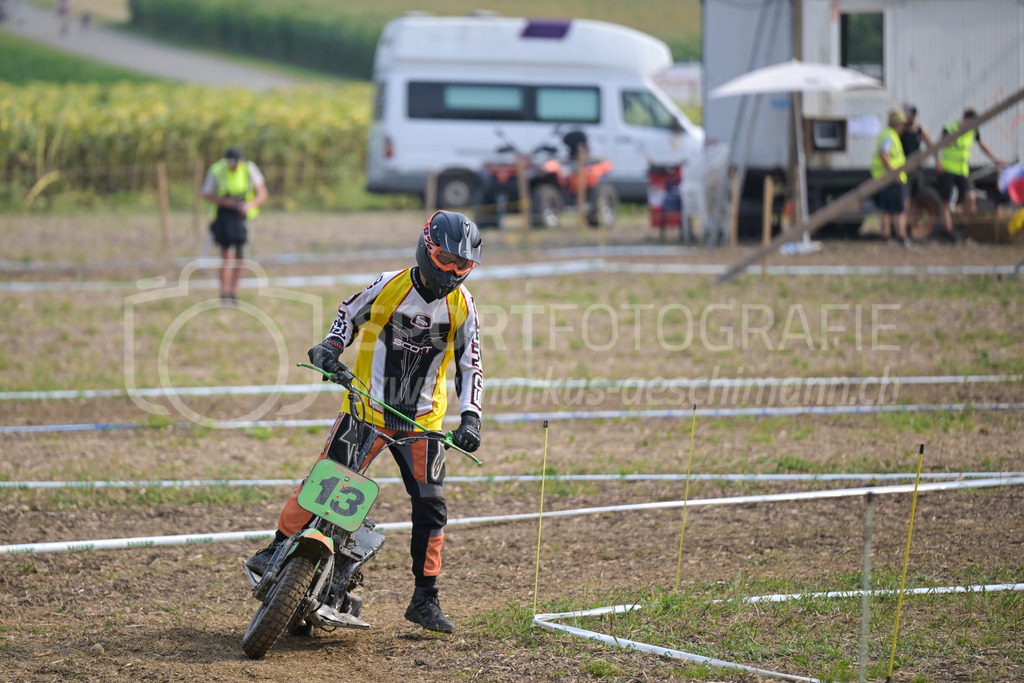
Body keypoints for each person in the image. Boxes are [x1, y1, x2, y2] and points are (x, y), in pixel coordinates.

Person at [246, 210, 484, 634]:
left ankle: (425, 598)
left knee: (431, 507)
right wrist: (329, 347)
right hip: (367, 408)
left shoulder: (463, 306)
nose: (452, 272)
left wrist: (471, 419)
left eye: (462, 264)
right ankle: (276, 548)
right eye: (445, 260)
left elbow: (471, 365)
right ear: (426, 249)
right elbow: (348, 314)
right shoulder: (390, 285)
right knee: (324, 481)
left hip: (423, 423)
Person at [201, 147, 268, 304]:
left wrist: (249, 205)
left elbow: (262, 193)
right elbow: (206, 193)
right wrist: (225, 202)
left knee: (241, 259)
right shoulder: (217, 170)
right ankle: (224, 293)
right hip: (224, 220)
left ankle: (233, 293)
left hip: (243, 221)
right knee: (227, 258)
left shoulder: (249, 169)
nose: (234, 166)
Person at [935, 108, 1005, 241]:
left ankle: (960, 227)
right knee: (945, 201)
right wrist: (937, 162)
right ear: (964, 118)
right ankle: (948, 232)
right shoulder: (950, 128)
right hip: (947, 168)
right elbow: (936, 146)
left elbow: (982, 145)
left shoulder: (973, 130)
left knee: (970, 197)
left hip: (962, 170)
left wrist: (995, 159)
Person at [871, 109, 910, 246]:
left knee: (885, 209)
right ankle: (901, 237)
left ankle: (885, 237)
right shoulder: (890, 136)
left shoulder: (887, 134)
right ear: (896, 123)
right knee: (899, 210)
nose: (903, 126)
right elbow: (884, 154)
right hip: (892, 179)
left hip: (884, 178)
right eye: (902, 123)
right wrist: (894, 173)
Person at [899, 104, 934, 233]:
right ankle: (903, 227)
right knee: (906, 199)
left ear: (913, 115)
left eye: (907, 114)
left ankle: (910, 226)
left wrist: (925, 158)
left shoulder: (921, 130)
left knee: (916, 198)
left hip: (917, 169)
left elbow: (930, 145)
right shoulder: (902, 131)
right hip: (905, 169)